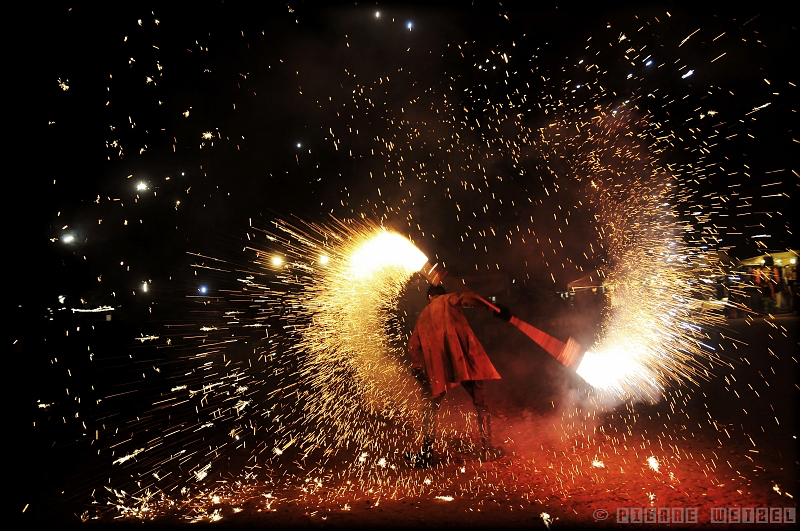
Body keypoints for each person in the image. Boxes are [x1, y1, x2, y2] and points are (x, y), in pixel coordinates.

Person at [406, 283, 510, 467]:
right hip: (464, 362)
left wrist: (416, 367)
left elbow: (413, 346)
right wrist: (492, 306)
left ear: (429, 297)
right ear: (441, 294)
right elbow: (467, 298)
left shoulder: (422, 315)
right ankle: (487, 449)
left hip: (439, 370)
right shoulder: (449, 299)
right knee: (480, 403)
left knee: (431, 409)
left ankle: (427, 454)